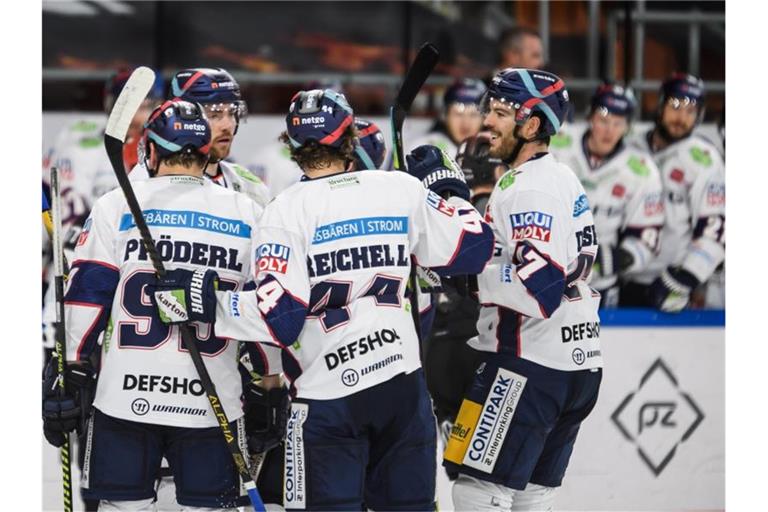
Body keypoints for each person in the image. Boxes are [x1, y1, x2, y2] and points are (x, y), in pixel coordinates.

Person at [150, 88, 495, 510]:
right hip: (402, 391)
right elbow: (475, 248)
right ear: (350, 135)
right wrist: (451, 192)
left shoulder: (285, 211)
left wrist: (208, 301)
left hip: (329, 398)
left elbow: (283, 319)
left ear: (293, 146)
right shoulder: (398, 188)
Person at [42, 99, 284, 510]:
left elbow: (85, 298)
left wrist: (70, 372)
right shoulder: (248, 212)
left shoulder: (115, 205)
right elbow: (262, 306)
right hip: (211, 407)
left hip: (124, 401)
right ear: (206, 153)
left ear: (149, 151)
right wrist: (269, 383)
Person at [443, 68, 602, 511]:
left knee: (476, 488)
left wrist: (466, 277)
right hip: (577, 363)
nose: (486, 123)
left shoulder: (527, 188)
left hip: (527, 366)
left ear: (532, 125)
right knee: (532, 495)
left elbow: (540, 289)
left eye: (499, 113)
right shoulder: (561, 177)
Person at [422, 133, 507, 478]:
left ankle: (450, 430)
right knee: (485, 477)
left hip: (436, 349)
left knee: (460, 467)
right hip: (482, 347)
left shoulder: (437, 213)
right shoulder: (507, 207)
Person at [550, 83, 664, 307]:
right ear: (590, 117)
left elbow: (646, 239)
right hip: (546, 273)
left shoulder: (641, 169)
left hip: (599, 285)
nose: (609, 130)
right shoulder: (557, 143)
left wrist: (605, 261)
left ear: (628, 126)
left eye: (618, 123)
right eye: (603, 119)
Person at [623, 73, 725, 311]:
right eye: (676, 106)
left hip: (672, 282)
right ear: (660, 105)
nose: (681, 117)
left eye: (691, 111)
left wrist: (687, 276)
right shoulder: (632, 148)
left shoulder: (704, 160)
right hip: (625, 275)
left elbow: (715, 228)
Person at [130, 67, 272, 209]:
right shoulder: (143, 182)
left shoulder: (248, 185)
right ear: (184, 117)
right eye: (214, 115)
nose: (227, 125)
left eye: (232, 113)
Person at [407, 78, 487, 159]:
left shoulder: (493, 152)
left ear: (485, 118)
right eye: (458, 114)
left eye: (473, 115)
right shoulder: (422, 149)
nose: (465, 123)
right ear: (444, 116)